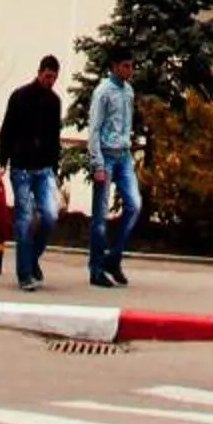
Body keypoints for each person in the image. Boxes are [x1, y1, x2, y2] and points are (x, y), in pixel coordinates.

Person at [0, 53, 62, 292]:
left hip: (44, 169)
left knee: (50, 214)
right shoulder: (20, 96)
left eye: (54, 78)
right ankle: (24, 273)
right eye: (47, 76)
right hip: (21, 167)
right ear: (39, 72)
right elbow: (7, 129)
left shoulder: (55, 102)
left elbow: (55, 137)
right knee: (24, 219)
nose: (50, 81)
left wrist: (56, 168)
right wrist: (2, 162)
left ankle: (32, 259)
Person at [87, 48, 142, 287]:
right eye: (125, 66)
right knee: (100, 216)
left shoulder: (128, 91)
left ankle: (114, 257)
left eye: (131, 65)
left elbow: (126, 123)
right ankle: (96, 267)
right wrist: (97, 162)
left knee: (134, 205)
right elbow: (94, 129)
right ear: (115, 66)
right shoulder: (103, 92)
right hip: (106, 156)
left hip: (123, 154)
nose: (130, 70)